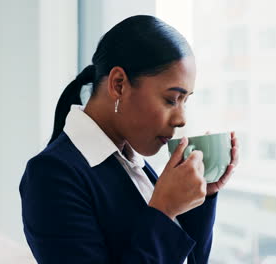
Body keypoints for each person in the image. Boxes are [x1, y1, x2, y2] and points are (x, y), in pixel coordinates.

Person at [19, 15, 239, 264]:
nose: (181, 119)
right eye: (171, 99)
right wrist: (164, 211)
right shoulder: (51, 175)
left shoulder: (132, 163)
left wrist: (201, 197)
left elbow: (189, 258)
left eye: (185, 101)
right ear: (119, 84)